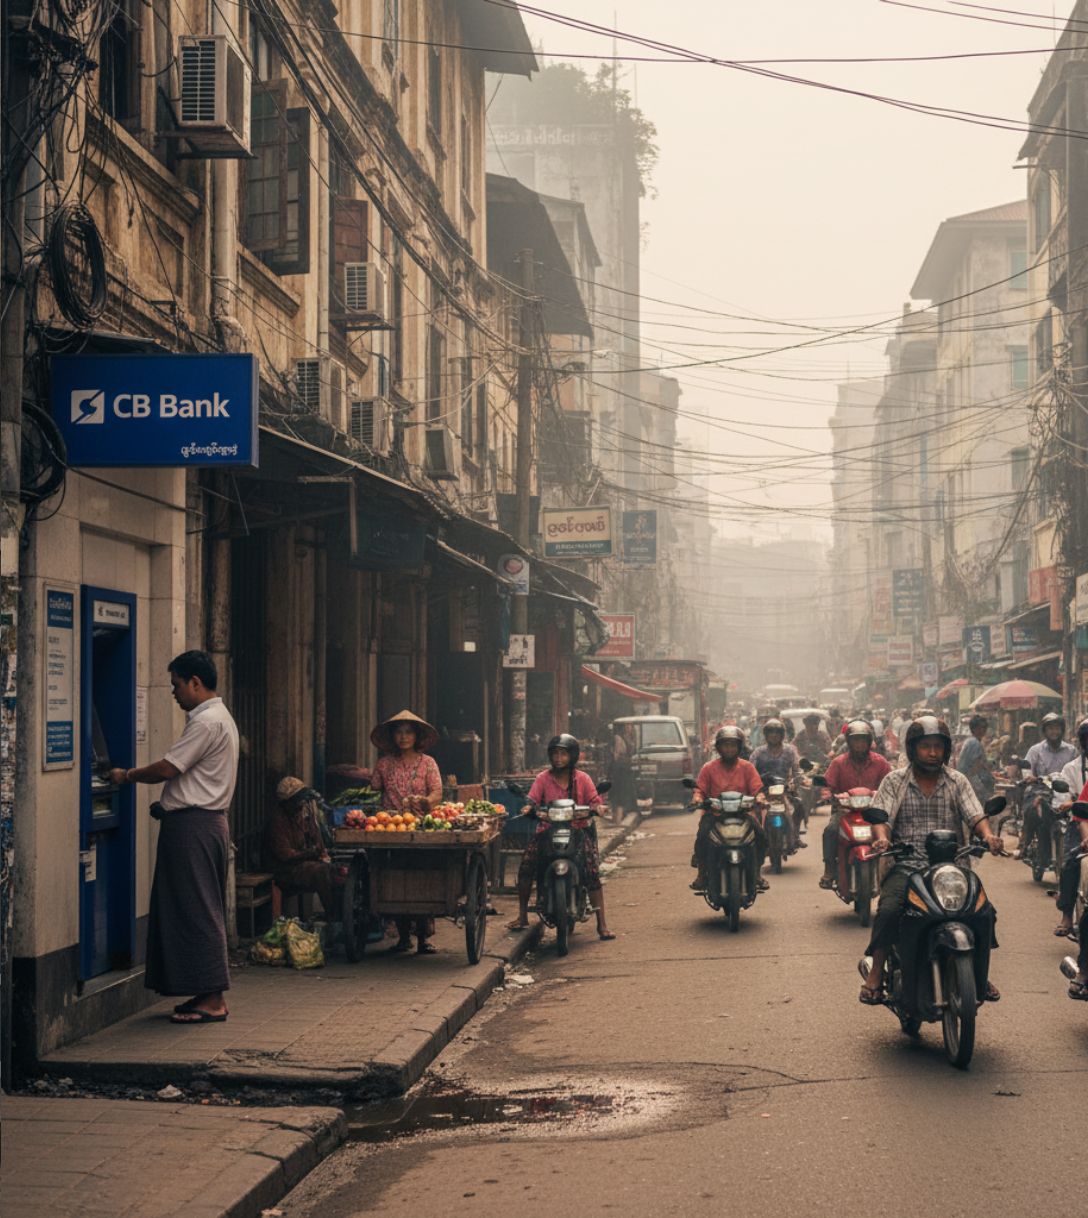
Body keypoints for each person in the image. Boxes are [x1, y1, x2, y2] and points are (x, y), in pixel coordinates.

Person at [109, 650, 238, 1024]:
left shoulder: (206, 722)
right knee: (192, 905)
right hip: (203, 821)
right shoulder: (220, 718)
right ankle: (204, 992)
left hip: (194, 826)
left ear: (195, 683)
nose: (174, 693)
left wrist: (126, 775)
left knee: (197, 908)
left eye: (177, 685)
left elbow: (169, 768)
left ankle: (213, 998)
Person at [859, 716, 1004, 1006]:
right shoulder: (895, 781)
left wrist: (989, 836)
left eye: (938, 746)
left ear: (947, 749)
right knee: (889, 910)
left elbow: (975, 814)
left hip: (951, 867)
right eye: (926, 746)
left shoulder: (957, 781)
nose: (933, 753)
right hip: (907, 865)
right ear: (913, 749)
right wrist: (882, 838)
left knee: (984, 911)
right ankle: (876, 972)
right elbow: (882, 818)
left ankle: (978, 970)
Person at [507, 734, 615, 940]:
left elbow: (594, 800)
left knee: (592, 871)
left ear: (572, 756)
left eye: (563, 754)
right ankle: (522, 916)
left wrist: (598, 808)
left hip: (579, 831)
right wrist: (528, 807)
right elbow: (531, 799)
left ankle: (602, 925)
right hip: (547, 831)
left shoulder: (582, 778)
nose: (558, 758)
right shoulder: (543, 778)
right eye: (555, 754)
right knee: (527, 866)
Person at [369, 710, 443, 954]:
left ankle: (423, 938)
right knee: (393, 879)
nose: (403, 737)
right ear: (393, 737)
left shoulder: (428, 763)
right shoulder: (383, 763)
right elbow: (373, 791)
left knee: (421, 878)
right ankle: (403, 937)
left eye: (408, 732)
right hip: (390, 827)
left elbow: (436, 794)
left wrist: (424, 801)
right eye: (398, 732)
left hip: (421, 827)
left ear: (416, 735)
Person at [690, 726, 767, 893]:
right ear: (718, 747)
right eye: (726, 745)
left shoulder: (747, 767)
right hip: (715, 815)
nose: (729, 749)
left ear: (739, 747)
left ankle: (757, 873)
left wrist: (760, 798)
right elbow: (699, 790)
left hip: (743, 814)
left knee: (760, 835)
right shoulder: (708, 768)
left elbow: (757, 789)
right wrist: (697, 799)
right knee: (702, 835)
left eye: (733, 745)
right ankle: (702, 874)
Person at [818, 720, 891, 889]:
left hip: (874, 812)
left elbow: (890, 783)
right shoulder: (838, 762)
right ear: (849, 742)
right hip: (845, 811)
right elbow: (828, 785)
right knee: (830, 831)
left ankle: (892, 869)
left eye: (863, 740)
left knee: (893, 831)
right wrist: (829, 795)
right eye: (855, 740)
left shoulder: (880, 762)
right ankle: (829, 869)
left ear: (869, 741)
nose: (859, 744)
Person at [264, 777, 340, 915]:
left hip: (299, 863)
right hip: (284, 869)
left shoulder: (301, 814)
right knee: (320, 872)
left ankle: (339, 912)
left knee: (334, 871)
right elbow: (285, 855)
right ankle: (333, 915)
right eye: (297, 801)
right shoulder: (277, 821)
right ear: (287, 803)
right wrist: (310, 854)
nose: (301, 804)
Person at [1020, 712, 1078, 870]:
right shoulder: (1035, 750)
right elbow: (1027, 770)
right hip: (1041, 790)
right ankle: (1026, 842)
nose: (1054, 732)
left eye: (1057, 728)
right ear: (1044, 731)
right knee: (1034, 811)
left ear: (1062, 730)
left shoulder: (1071, 751)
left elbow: (1078, 769)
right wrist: (1030, 777)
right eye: (1050, 729)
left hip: (1065, 790)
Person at [1053, 719, 1088, 941]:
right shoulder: (1071, 768)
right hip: (1080, 824)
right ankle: (1067, 914)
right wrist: (1071, 802)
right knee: (1070, 865)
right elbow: (1068, 803)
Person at [750, 718, 804, 848]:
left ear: (782, 734)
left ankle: (795, 835)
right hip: (763, 791)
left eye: (777, 732)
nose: (774, 735)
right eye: (771, 732)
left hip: (785, 790)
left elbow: (797, 770)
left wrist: (796, 782)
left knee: (799, 806)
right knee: (753, 813)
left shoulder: (790, 751)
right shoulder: (758, 752)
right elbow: (750, 771)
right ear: (766, 735)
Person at [956, 714, 995, 805]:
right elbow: (974, 770)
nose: (983, 730)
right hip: (973, 786)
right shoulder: (974, 743)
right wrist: (981, 791)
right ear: (973, 729)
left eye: (984, 727)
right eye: (980, 728)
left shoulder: (971, 741)